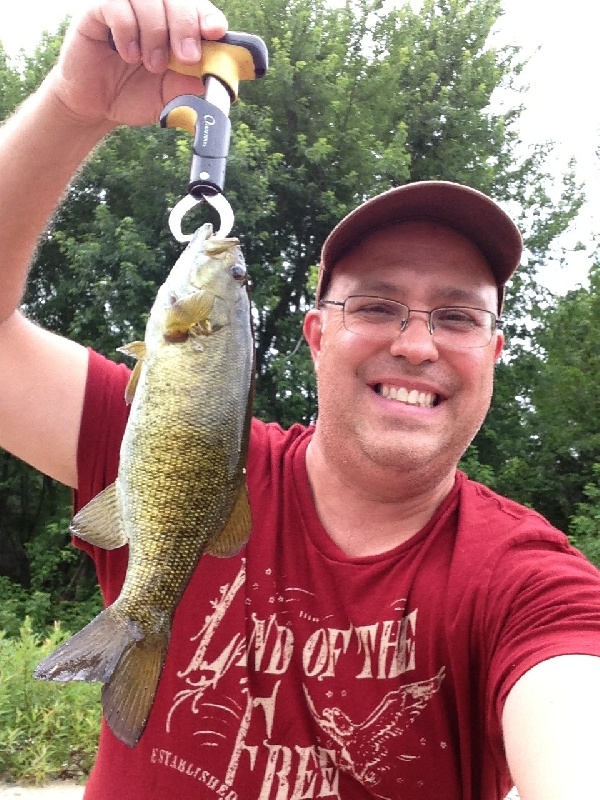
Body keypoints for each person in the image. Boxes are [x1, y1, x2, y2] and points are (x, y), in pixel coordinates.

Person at [0, 2, 599, 798]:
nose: (416, 344)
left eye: (456, 316)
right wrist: (71, 111)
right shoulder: (194, 444)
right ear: (316, 336)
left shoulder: (527, 584)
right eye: (377, 305)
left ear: (493, 353)